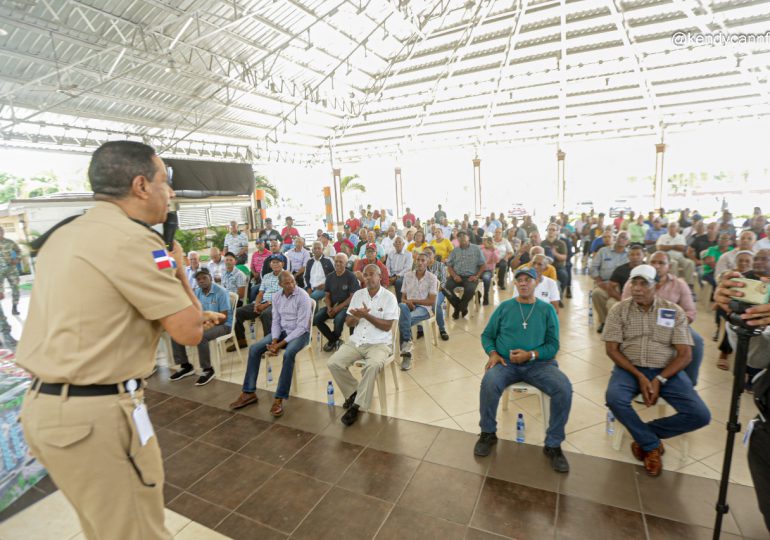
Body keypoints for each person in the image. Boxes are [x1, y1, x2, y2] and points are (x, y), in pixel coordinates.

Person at [17, 140, 223, 540]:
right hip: (97, 417)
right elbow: (190, 331)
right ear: (141, 185)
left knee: (105, 530)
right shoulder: (136, 241)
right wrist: (179, 268)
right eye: (166, 181)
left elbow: (101, 313)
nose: (171, 192)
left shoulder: (64, 234)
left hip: (48, 410)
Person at [603, 264, 710, 477]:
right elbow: (611, 349)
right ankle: (651, 445)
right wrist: (640, 375)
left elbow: (685, 354)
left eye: (644, 284)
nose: (637, 289)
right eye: (634, 283)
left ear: (656, 285)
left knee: (700, 415)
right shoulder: (619, 310)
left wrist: (659, 378)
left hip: (666, 370)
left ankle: (644, 435)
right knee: (614, 398)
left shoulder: (672, 311)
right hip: (629, 368)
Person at [474, 267, 572, 473]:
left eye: (528, 280)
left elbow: (553, 345)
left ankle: (553, 444)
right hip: (505, 363)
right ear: (515, 284)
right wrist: (492, 353)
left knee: (563, 387)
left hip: (539, 364)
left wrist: (531, 355)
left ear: (536, 283)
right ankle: (488, 433)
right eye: (519, 280)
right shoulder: (505, 307)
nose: (524, 283)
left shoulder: (546, 310)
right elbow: (487, 335)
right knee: (489, 382)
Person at [229, 271, 312, 416]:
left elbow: (302, 327)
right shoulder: (277, 296)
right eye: (287, 283)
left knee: (289, 353)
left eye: (293, 281)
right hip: (282, 332)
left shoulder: (302, 296)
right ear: (280, 285)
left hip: (301, 334)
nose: (291, 285)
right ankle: (249, 392)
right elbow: (276, 322)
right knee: (254, 349)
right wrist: (274, 340)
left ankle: (279, 398)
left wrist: (279, 345)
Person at [327, 264, 400, 426]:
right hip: (357, 341)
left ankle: (357, 406)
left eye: (371, 274)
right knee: (333, 363)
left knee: (372, 366)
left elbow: (387, 326)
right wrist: (357, 317)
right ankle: (355, 393)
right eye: (365, 275)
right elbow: (348, 322)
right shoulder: (358, 295)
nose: (368, 278)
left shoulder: (389, 297)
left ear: (379, 277)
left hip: (379, 343)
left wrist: (366, 316)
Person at [622, 251, 704, 385]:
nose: (656, 266)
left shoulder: (679, 284)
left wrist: (676, 327)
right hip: (640, 323)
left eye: (661, 263)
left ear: (669, 267)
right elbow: (625, 307)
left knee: (696, 341)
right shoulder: (633, 282)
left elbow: (690, 312)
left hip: (674, 326)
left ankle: (689, 383)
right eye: (653, 262)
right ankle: (636, 381)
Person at [169, 268, 232, 386]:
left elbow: (223, 317)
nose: (201, 281)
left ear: (211, 278)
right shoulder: (197, 292)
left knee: (201, 336)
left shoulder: (221, 292)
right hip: (203, 323)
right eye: (198, 279)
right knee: (176, 333)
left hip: (223, 325)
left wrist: (203, 323)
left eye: (204, 278)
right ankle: (186, 366)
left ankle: (207, 369)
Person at [227, 257, 284, 351]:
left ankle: (270, 345)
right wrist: (257, 304)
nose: (275, 264)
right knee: (237, 312)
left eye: (278, 262)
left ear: (282, 264)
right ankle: (241, 341)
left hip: (278, 304)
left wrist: (266, 304)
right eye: (273, 262)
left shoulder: (286, 275)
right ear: (270, 265)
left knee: (265, 314)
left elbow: (283, 295)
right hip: (262, 302)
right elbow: (261, 293)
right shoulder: (267, 276)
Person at [398, 252, 438, 370]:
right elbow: (403, 298)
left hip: (424, 309)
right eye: (418, 260)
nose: (420, 263)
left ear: (427, 262)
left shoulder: (432, 278)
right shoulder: (407, 275)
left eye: (423, 260)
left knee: (403, 320)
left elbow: (431, 301)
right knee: (401, 305)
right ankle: (407, 346)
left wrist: (413, 301)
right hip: (408, 306)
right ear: (415, 261)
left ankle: (406, 354)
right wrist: (407, 302)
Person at [315, 253, 359, 351]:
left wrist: (338, 308)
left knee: (338, 320)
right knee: (317, 318)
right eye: (336, 261)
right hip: (332, 305)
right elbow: (327, 295)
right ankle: (334, 339)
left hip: (346, 307)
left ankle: (332, 341)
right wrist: (329, 307)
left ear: (346, 264)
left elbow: (352, 297)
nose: (338, 264)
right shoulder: (330, 277)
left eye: (341, 262)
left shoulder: (351, 276)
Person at [590, 231, 629, 333]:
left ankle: (618, 323)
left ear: (628, 242)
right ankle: (604, 322)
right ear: (615, 238)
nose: (621, 239)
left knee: (612, 302)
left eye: (624, 238)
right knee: (596, 293)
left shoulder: (630, 254)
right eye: (620, 237)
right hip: (604, 283)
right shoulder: (603, 251)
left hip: (622, 286)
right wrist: (599, 282)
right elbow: (593, 268)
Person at [444, 231, 486, 319]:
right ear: (457, 239)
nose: (462, 237)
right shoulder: (455, 250)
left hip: (470, 277)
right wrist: (455, 276)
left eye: (464, 235)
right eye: (459, 236)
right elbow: (449, 265)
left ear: (469, 237)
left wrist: (477, 276)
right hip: (456, 276)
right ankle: (462, 307)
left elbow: (483, 265)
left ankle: (458, 309)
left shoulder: (476, 249)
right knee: (445, 288)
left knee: (470, 289)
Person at [656, 222, 696, 290]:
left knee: (690, 263)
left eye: (674, 226)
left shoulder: (681, 237)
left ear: (677, 228)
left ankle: (689, 285)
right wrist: (675, 246)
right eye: (670, 226)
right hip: (667, 257)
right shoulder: (663, 237)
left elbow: (683, 248)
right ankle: (675, 285)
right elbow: (659, 248)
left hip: (680, 257)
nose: (672, 228)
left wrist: (668, 247)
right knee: (674, 263)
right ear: (668, 228)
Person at [425, 246, 450, 341]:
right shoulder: (421, 266)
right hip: (424, 293)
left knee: (435, 303)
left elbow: (443, 282)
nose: (427, 256)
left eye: (429, 253)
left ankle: (442, 328)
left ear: (434, 255)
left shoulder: (440, 265)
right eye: (425, 253)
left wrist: (433, 291)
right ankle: (419, 329)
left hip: (438, 291)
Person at [0, 226, 21, 314]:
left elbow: (18, 251)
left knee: (15, 288)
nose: (1, 232)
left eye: (1, 231)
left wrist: (17, 258)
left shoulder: (10, 242)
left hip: (11, 269)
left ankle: (14, 308)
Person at [542, 223, 569, 293]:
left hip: (558, 267)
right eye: (549, 229)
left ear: (557, 232)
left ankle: (560, 295)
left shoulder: (561, 243)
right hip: (544, 267)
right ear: (547, 230)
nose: (551, 231)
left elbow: (564, 257)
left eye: (553, 230)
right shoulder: (542, 243)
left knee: (564, 276)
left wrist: (555, 254)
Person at [386, 236, 413, 303]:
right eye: (396, 242)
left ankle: (399, 303)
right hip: (391, 275)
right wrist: (389, 276)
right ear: (393, 245)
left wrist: (396, 277)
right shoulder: (391, 253)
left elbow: (407, 268)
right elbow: (387, 267)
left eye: (399, 242)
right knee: (381, 280)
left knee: (398, 282)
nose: (398, 244)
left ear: (403, 244)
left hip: (402, 275)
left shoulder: (408, 254)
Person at [480, 237, 500, 306]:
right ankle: (478, 294)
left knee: (486, 278)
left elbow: (496, 260)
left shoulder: (495, 250)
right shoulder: (481, 248)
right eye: (484, 241)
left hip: (488, 270)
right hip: (478, 270)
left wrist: (493, 251)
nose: (485, 242)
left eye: (487, 241)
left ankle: (486, 296)